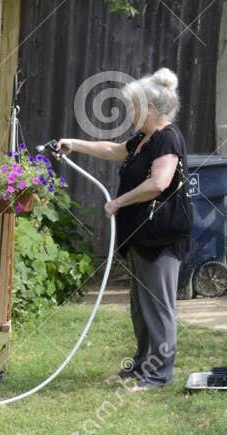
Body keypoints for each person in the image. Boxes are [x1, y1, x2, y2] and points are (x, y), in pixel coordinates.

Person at [58, 68, 191, 389]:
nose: (130, 112)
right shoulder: (144, 139)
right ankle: (141, 366)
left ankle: (158, 374)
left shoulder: (168, 138)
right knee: (141, 306)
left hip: (161, 237)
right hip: (141, 235)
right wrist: (74, 144)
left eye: (134, 106)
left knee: (158, 307)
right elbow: (114, 150)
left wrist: (118, 203)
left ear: (150, 108)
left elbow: (159, 183)